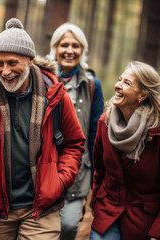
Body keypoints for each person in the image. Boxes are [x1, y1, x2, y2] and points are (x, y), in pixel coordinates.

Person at [0, 18, 86, 240]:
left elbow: (74, 143)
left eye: (12, 63)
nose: (4, 71)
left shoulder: (55, 96)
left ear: (31, 60)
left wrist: (59, 181)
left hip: (41, 210)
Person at [89, 61, 160, 240]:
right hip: (107, 212)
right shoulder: (105, 123)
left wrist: (159, 233)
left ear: (142, 95)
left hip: (144, 222)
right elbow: (100, 170)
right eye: (120, 79)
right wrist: (96, 202)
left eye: (127, 83)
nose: (117, 85)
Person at [47, 23, 104, 239]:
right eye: (64, 45)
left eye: (76, 45)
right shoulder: (42, 78)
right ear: (55, 48)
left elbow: (95, 133)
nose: (70, 50)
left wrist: (95, 178)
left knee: (69, 226)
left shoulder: (92, 85)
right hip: (44, 166)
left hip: (78, 170)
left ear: (82, 50)